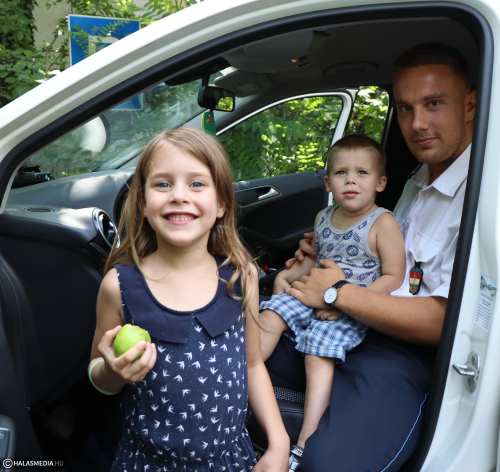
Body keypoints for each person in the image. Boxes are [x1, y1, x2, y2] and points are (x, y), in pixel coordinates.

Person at [264, 43, 477, 471]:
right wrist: (323, 252)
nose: (416, 124)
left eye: (434, 104)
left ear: (470, 106)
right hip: (359, 322)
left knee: (328, 465)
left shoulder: (480, 194)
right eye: (405, 108)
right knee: (226, 333)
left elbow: (448, 321)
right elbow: (382, 252)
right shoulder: (420, 176)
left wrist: (336, 293)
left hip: (406, 354)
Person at [87, 128, 290, 472]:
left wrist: (279, 442)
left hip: (230, 461)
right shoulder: (118, 286)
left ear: (222, 203)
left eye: (196, 184)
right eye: (162, 184)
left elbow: (253, 364)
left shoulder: (241, 277)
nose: (179, 195)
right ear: (142, 203)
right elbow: (97, 372)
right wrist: (112, 372)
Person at [258, 135, 405, 470]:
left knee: (318, 350)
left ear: (380, 183)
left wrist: (346, 301)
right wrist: (286, 279)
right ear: (328, 182)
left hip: (354, 307)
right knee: (272, 311)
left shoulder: (383, 223)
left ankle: (305, 440)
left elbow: (394, 277)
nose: (351, 180)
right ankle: (237, 380)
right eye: (341, 173)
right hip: (315, 294)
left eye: (362, 173)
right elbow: (315, 260)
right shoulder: (323, 217)